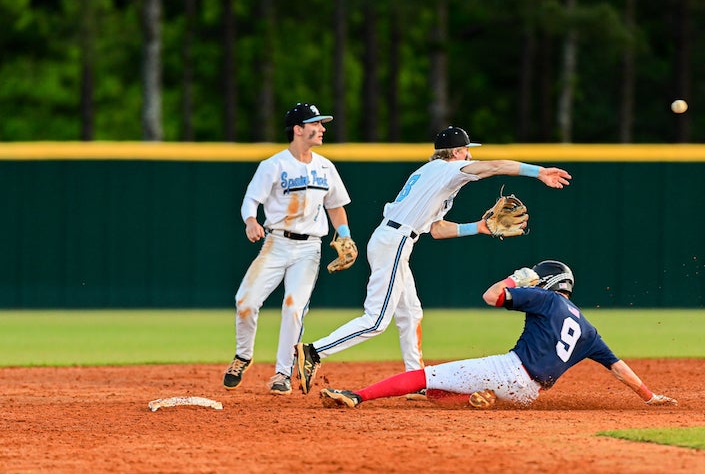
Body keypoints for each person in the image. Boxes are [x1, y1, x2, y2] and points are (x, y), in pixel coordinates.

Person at [295, 126, 572, 397]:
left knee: (411, 313)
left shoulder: (430, 174)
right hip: (395, 242)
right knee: (377, 320)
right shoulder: (448, 169)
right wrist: (539, 172)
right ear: (457, 152)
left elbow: (436, 230)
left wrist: (477, 227)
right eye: (467, 151)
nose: (470, 157)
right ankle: (315, 350)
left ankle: (415, 378)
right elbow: (495, 166)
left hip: (394, 239)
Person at [318, 260, 677, 409]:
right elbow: (617, 367)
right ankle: (480, 399)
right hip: (529, 395)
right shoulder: (587, 327)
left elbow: (491, 296)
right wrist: (649, 396)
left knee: (422, 378)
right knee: (438, 394)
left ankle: (357, 396)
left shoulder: (544, 297)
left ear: (549, 283)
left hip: (509, 370)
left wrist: (515, 279)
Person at [222, 103, 355, 395]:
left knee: (293, 309)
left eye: (322, 124)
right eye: (316, 124)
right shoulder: (274, 165)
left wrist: (344, 236)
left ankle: (282, 374)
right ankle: (243, 356)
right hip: (276, 243)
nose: (322, 129)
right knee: (245, 302)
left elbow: (336, 207)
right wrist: (250, 222)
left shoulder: (325, 167)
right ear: (298, 129)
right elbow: (251, 200)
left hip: (309, 249)